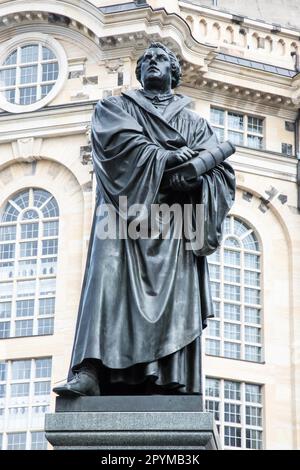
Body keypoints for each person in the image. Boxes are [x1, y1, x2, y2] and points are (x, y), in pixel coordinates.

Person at [53, 42, 235, 399]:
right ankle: (90, 370)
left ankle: (166, 376)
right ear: (139, 72)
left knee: (174, 296)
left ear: (173, 72)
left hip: (174, 222)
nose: (153, 62)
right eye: (147, 59)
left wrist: (197, 177)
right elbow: (115, 143)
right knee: (105, 279)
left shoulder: (195, 122)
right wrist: (165, 157)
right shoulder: (116, 105)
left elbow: (222, 175)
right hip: (122, 215)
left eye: (161, 59)